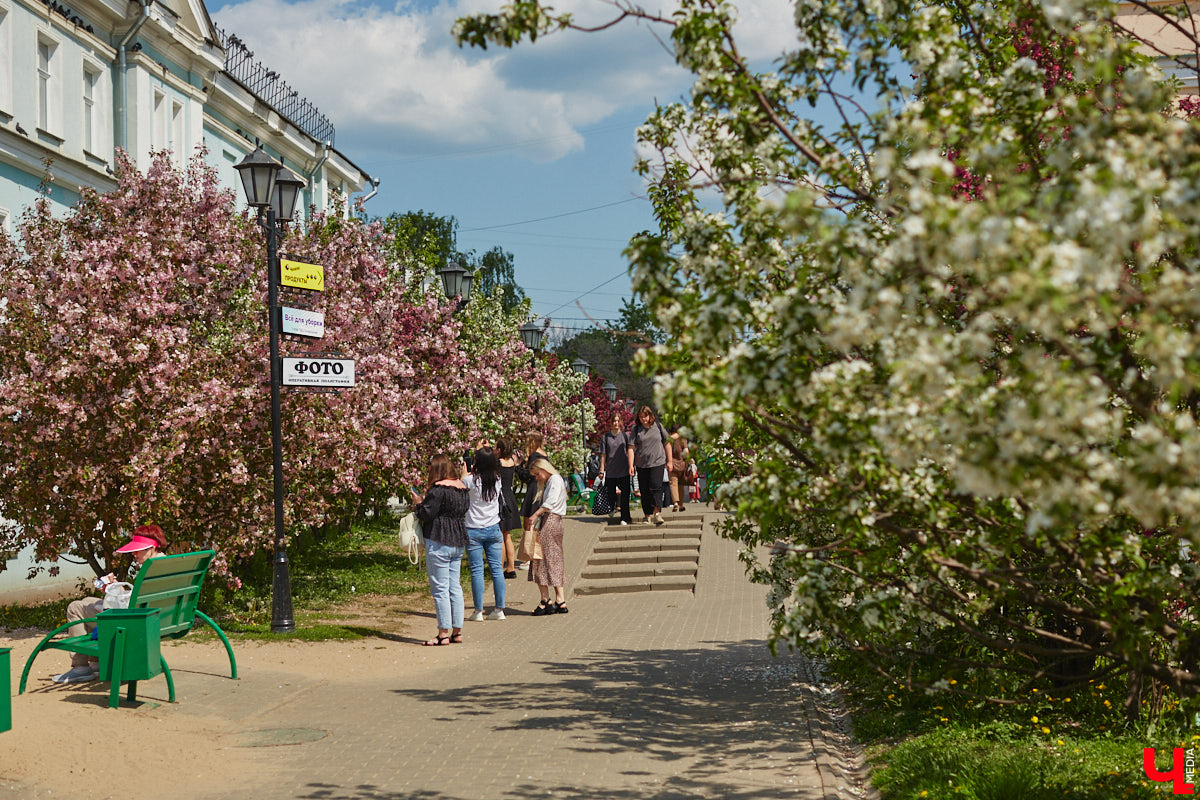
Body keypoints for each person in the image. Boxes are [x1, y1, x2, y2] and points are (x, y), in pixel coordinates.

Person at [53, 524, 168, 684]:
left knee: (75, 607)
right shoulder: (166, 564)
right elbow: (139, 600)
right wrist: (116, 589)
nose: (133, 553)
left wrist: (114, 590)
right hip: (158, 619)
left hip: (135, 622)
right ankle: (97, 662)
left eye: (137, 549)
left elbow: (132, 607)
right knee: (86, 602)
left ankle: (80, 667)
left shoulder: (150, 569)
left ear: (150, 548)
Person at [411, 453, 469, 646]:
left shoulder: (437, 489)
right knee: (455, 587)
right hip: (458, 539)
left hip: (438, 539)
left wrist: (418, 503)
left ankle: (443, 632)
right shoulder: (462, 488)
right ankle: (457, 631)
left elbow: (427, 513)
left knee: (440, 589)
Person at [463, 446, 507, 622]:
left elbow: (460, 486)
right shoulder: (497, 479)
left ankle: (478, 611)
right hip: (494, 528)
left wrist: (465, 470)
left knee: (477, 571)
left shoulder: (470, 481)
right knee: (497, 569)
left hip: (473, 529)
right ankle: (499, 609)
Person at [525, 456, 569, 615]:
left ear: (544, 469)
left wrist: (535, 515)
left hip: (550, 521)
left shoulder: (554, 480)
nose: (537, 478)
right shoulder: (555, 480)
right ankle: (559, 599)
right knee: (553, 558)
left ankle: (546, 599)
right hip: (554, 521)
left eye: (537, 474)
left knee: (539, 559)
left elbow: (549, 503)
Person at [631, 405, 672, 526]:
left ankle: (657, 513)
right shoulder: (636, 430)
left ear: (650, 416)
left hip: (658, 462)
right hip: (642, 464)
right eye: (641, 417)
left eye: (646, 416)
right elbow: (631, 447)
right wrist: (630, 465)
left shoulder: (658, 427)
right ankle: (647, 515)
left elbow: (667, 443)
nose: (644, 419)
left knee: (656, 487)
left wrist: (669, 461)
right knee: (644, 490)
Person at [515, 432, 548, 569]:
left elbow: (527, 476)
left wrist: (517, 465)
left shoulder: (534, 456)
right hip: (541, 488)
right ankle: (535, 555)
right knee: (536, 523)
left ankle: (529, 557)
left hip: (533, 489)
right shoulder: (544, 455)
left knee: (529, 523)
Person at [598, 412, 634, 526]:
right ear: (611, 423)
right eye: (614, 421)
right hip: (611, 471)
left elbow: (631, 451)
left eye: (618, 421)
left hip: (624, 470)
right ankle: (612, 508)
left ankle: (625, 517)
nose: (616, 423)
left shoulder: (625, 436)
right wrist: (601, 470)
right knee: (611, 494)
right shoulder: (605, 437)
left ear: (621, 423)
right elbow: (603, 454)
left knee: (625, 495)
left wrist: (631, 465)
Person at [495, 439, 522, 578]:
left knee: (500, 535)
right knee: (508, 536)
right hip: (510, 496)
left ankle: (500, 568)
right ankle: (511, 568)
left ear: (499, 449)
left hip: (501, 498)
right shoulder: (512, 462)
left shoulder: (498, 463)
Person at [667, 426, 690, 512]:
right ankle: (681, 505)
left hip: (672, 464)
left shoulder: (668, 439)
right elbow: (686, 451)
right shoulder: (682, 439)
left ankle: (675, 502)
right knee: (681, 485)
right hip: (682, 465)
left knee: (673, 484)